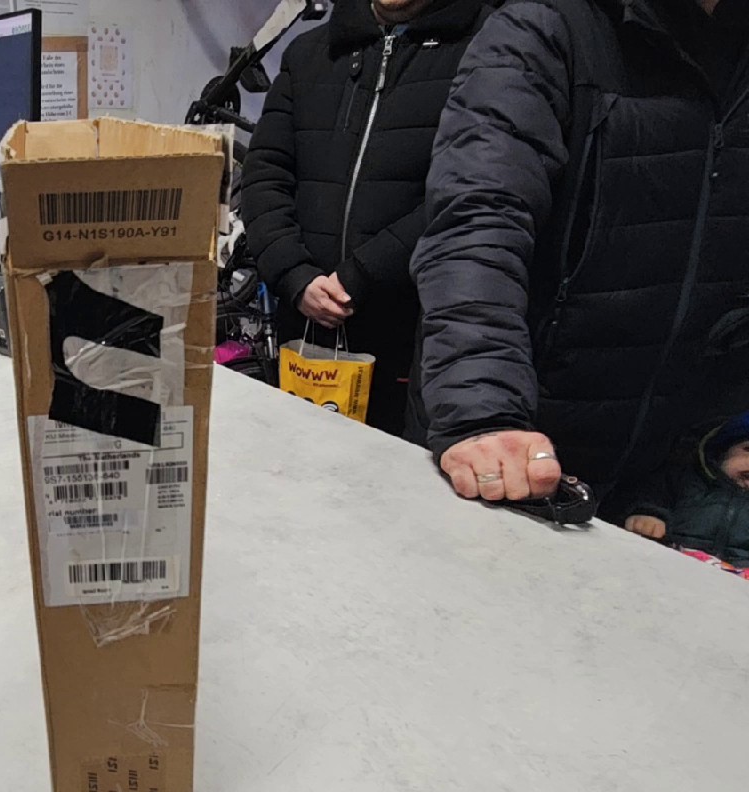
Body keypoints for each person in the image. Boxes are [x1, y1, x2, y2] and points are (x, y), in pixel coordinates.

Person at [409, 0, 749, 510]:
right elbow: (477, 222)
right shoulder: (549, 26)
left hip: (664, 479)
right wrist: (486, 413)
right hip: (510, 443)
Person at [241, 0, 492, 436]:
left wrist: (362, 275)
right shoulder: (310, 53)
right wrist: (295, 276)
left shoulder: (486, 48)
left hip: (415, 338)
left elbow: (468, 188)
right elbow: (265, 175)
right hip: (304, 331)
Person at [623, 412, 749, 568]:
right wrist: (650, 515)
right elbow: (651, 495)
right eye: (748, 450)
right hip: (669, 562)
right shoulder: (686, 479)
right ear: (723, 452)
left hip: (736, 577)